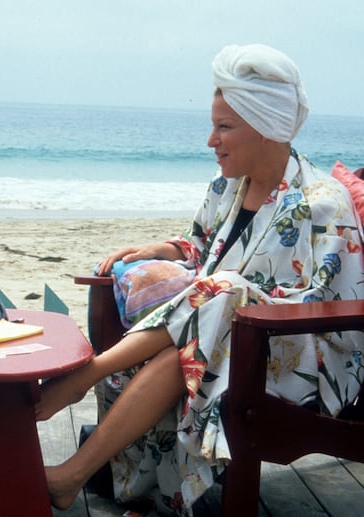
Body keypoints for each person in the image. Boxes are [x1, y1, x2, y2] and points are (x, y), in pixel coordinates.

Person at [35, 44, 364, 515]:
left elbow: (328, 310)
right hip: (219, 339)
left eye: (225, 127)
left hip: (301, 358)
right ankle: (72, 476)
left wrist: (233, 298)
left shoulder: (322, 204)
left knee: (224, 293)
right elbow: (203, 247)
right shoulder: (227, 185)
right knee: (187, 343)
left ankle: (86, 376)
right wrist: (162, 251)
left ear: (267, 128)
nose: (212, 140)